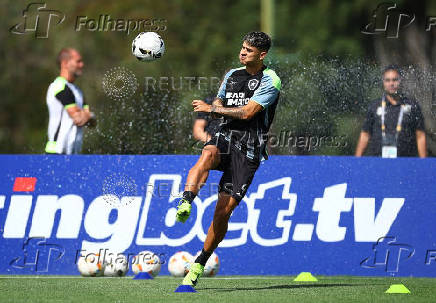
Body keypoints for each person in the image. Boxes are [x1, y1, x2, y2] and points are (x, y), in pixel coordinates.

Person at [175, 31, 281, 288]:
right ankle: (186, 201)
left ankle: (199, 263)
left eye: (249, 50)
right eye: (242, 47)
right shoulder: (232, 74)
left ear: (262, 55)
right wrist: (215, 106)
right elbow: (220, 99)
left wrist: (211, 109)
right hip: (224, 137)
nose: (242, 52)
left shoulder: (271, 80)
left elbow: (247, 113)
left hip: (249, 152)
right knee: (208, 153)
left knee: (222, 212)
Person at [355, 65, 426, 158]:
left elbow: (420, 135)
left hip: (406, 161)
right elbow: (365, 134)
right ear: (383, 83)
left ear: (401, 81)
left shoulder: (412, 106)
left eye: (395, 80)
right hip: (377, 161)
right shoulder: (375, 106)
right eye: (388, 80)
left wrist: (424, 163)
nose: (391, 83)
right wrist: (356, 160)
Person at [45, 48, 96, 154]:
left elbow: (91, 123)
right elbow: (77, 118)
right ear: (65, 63)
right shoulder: (59, 86)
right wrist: (87, 115)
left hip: (73, 153)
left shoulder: (78, 91)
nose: (82, 65)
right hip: (56, 152)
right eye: (78, 61)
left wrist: (88, 115)